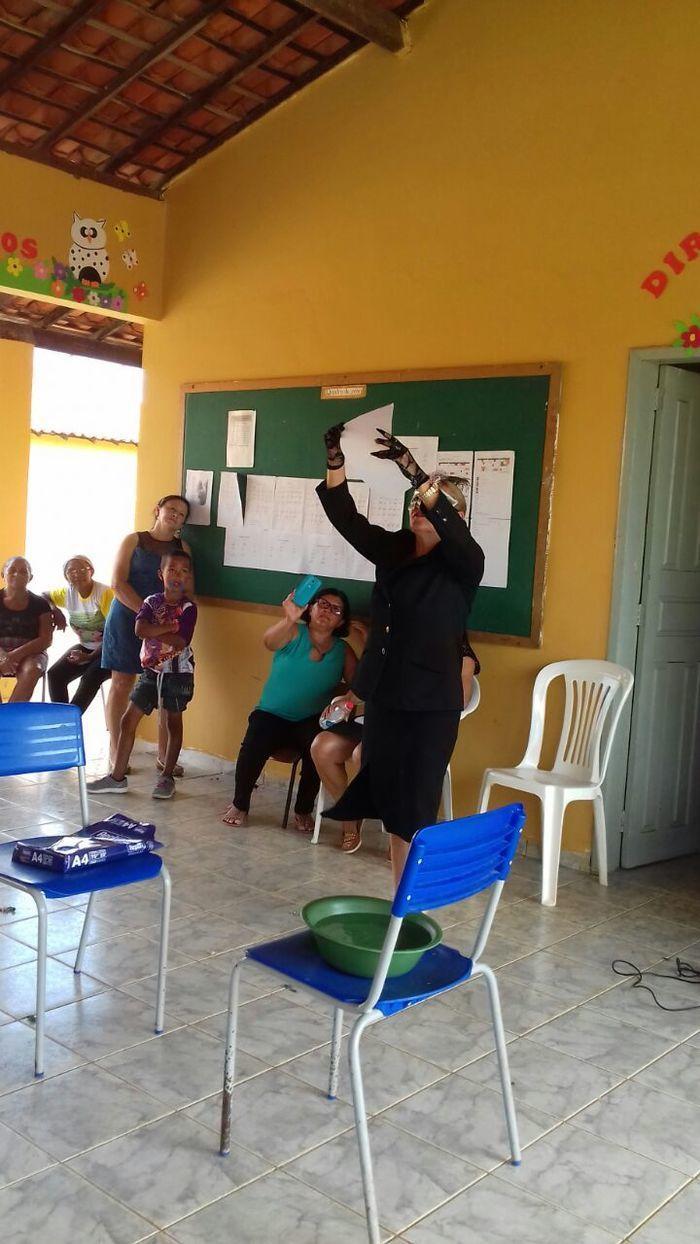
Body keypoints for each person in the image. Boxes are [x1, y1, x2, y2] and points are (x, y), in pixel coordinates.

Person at [317, 422, 485, 887]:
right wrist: (335, 460)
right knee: (392, 802)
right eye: (415, 503)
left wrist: (413, 470)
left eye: (430, 505)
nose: (419, 508)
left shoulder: (464, 564)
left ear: (456, 517)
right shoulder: (394, 550)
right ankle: (400, 897)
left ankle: (415, 898)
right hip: (388, 695)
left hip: (431, 702)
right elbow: (346, 520)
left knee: (416, 803)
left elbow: (446, 520)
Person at [312, 644, 480, 854]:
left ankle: (399, 832)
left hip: (414, 729)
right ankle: (350, 818)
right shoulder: (395, 640)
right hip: (372, 718)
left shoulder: (462, 657)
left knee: (364, 755)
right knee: (322, 747)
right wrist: (348, 701)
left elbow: (458, 701)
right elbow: (369, 682)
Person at [222, 586, 357, 832]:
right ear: (311, 607)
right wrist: (288, 619)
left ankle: (303, 810)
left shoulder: (343, 650)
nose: (327, 611)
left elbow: (358, 685)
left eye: (335, 609)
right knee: (253, 745)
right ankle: (240, 804)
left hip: (311, 719)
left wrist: (345, 701)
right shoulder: (294, 631)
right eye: (322, 604)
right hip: (271, 714)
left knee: (318, 751)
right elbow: (268, 641)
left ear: (342, 621)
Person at [87, 550, 197, 800]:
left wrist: (153, 630)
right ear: (161, 574)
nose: (177, 576)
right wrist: (167, 627)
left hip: (178, 675)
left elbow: (181, 641)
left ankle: (167, 777)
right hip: (151, 672)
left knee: (172, 724)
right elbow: (139, 629)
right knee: (128, 720)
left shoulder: (189, 609)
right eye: (172, 570)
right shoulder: (150, 601)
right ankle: (117, 778)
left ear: (188, 577)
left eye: (183, 571)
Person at [101, 494, 192, 771]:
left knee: (165, 689)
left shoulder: (182, 546)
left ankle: (165, 756)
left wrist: (179, 622)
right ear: (158, 510)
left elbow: (187, 587)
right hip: (127, 619)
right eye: (171, 509)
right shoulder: (134, 540)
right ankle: (117, 752)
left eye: (182, 514)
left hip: (165, 626)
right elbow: (117, 582)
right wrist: (148, 611)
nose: (175, 515)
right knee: (121, 684)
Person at [44, 556, 113, 713]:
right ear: (66, 576)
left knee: (91, 676)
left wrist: (89, 657)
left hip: (110, 651)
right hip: (86, 647)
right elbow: (44, 595)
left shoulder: (104, 593)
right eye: (71, 571)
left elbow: (114, 634)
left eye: (82, 569)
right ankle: (62, 719)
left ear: (91, 571)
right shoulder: (67, 593)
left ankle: (70, 721)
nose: (76, 574)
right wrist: (55, 610)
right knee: (55, 675)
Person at [0, 557, 53, 703]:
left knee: (32, 670)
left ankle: (11, 717)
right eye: (12, 571)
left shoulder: (41, 604)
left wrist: (12, 656)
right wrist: (3, 656)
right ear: (3, 574)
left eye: (23, 571)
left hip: (31, 653)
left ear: (30, 577)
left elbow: (45, 640)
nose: (17, 574)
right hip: (1, 651)